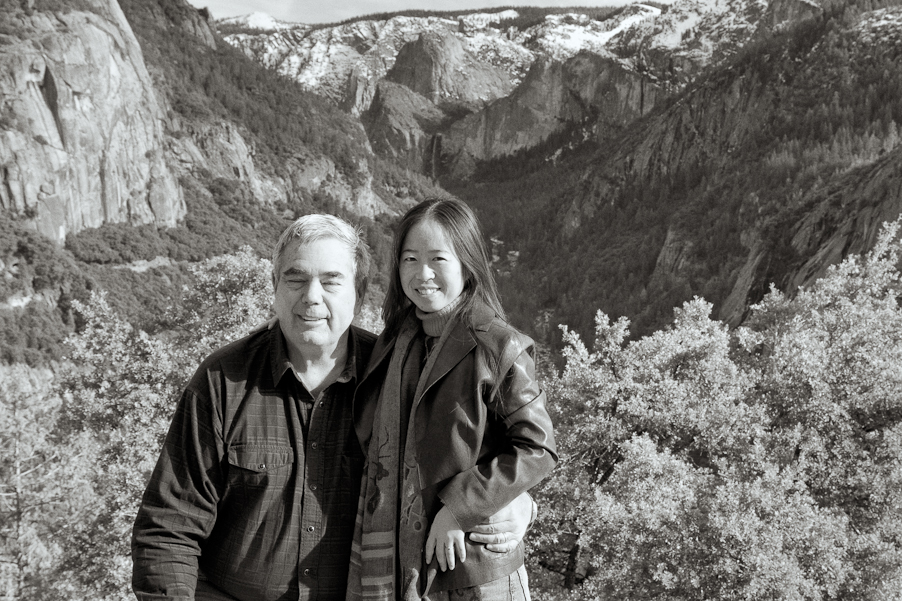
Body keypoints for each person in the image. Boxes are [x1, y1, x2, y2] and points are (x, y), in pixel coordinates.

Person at [131, 214, 534, 601]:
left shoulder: (398, 376)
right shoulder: (223, 381)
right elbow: (169, 528)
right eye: (296, 279)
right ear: (274, 287)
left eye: (331, 281)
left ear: (358, 292)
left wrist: (514, 503)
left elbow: (472, 451)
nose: (312, 297)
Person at [346, 198, 557, 601]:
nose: (422, 274)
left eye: (437, 259)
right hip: (394, 568)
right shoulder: (394, 343)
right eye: (409, 259)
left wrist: (460, 507)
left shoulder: (498, 346)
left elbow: (538, 446)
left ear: (467, 262)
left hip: (475, 569)